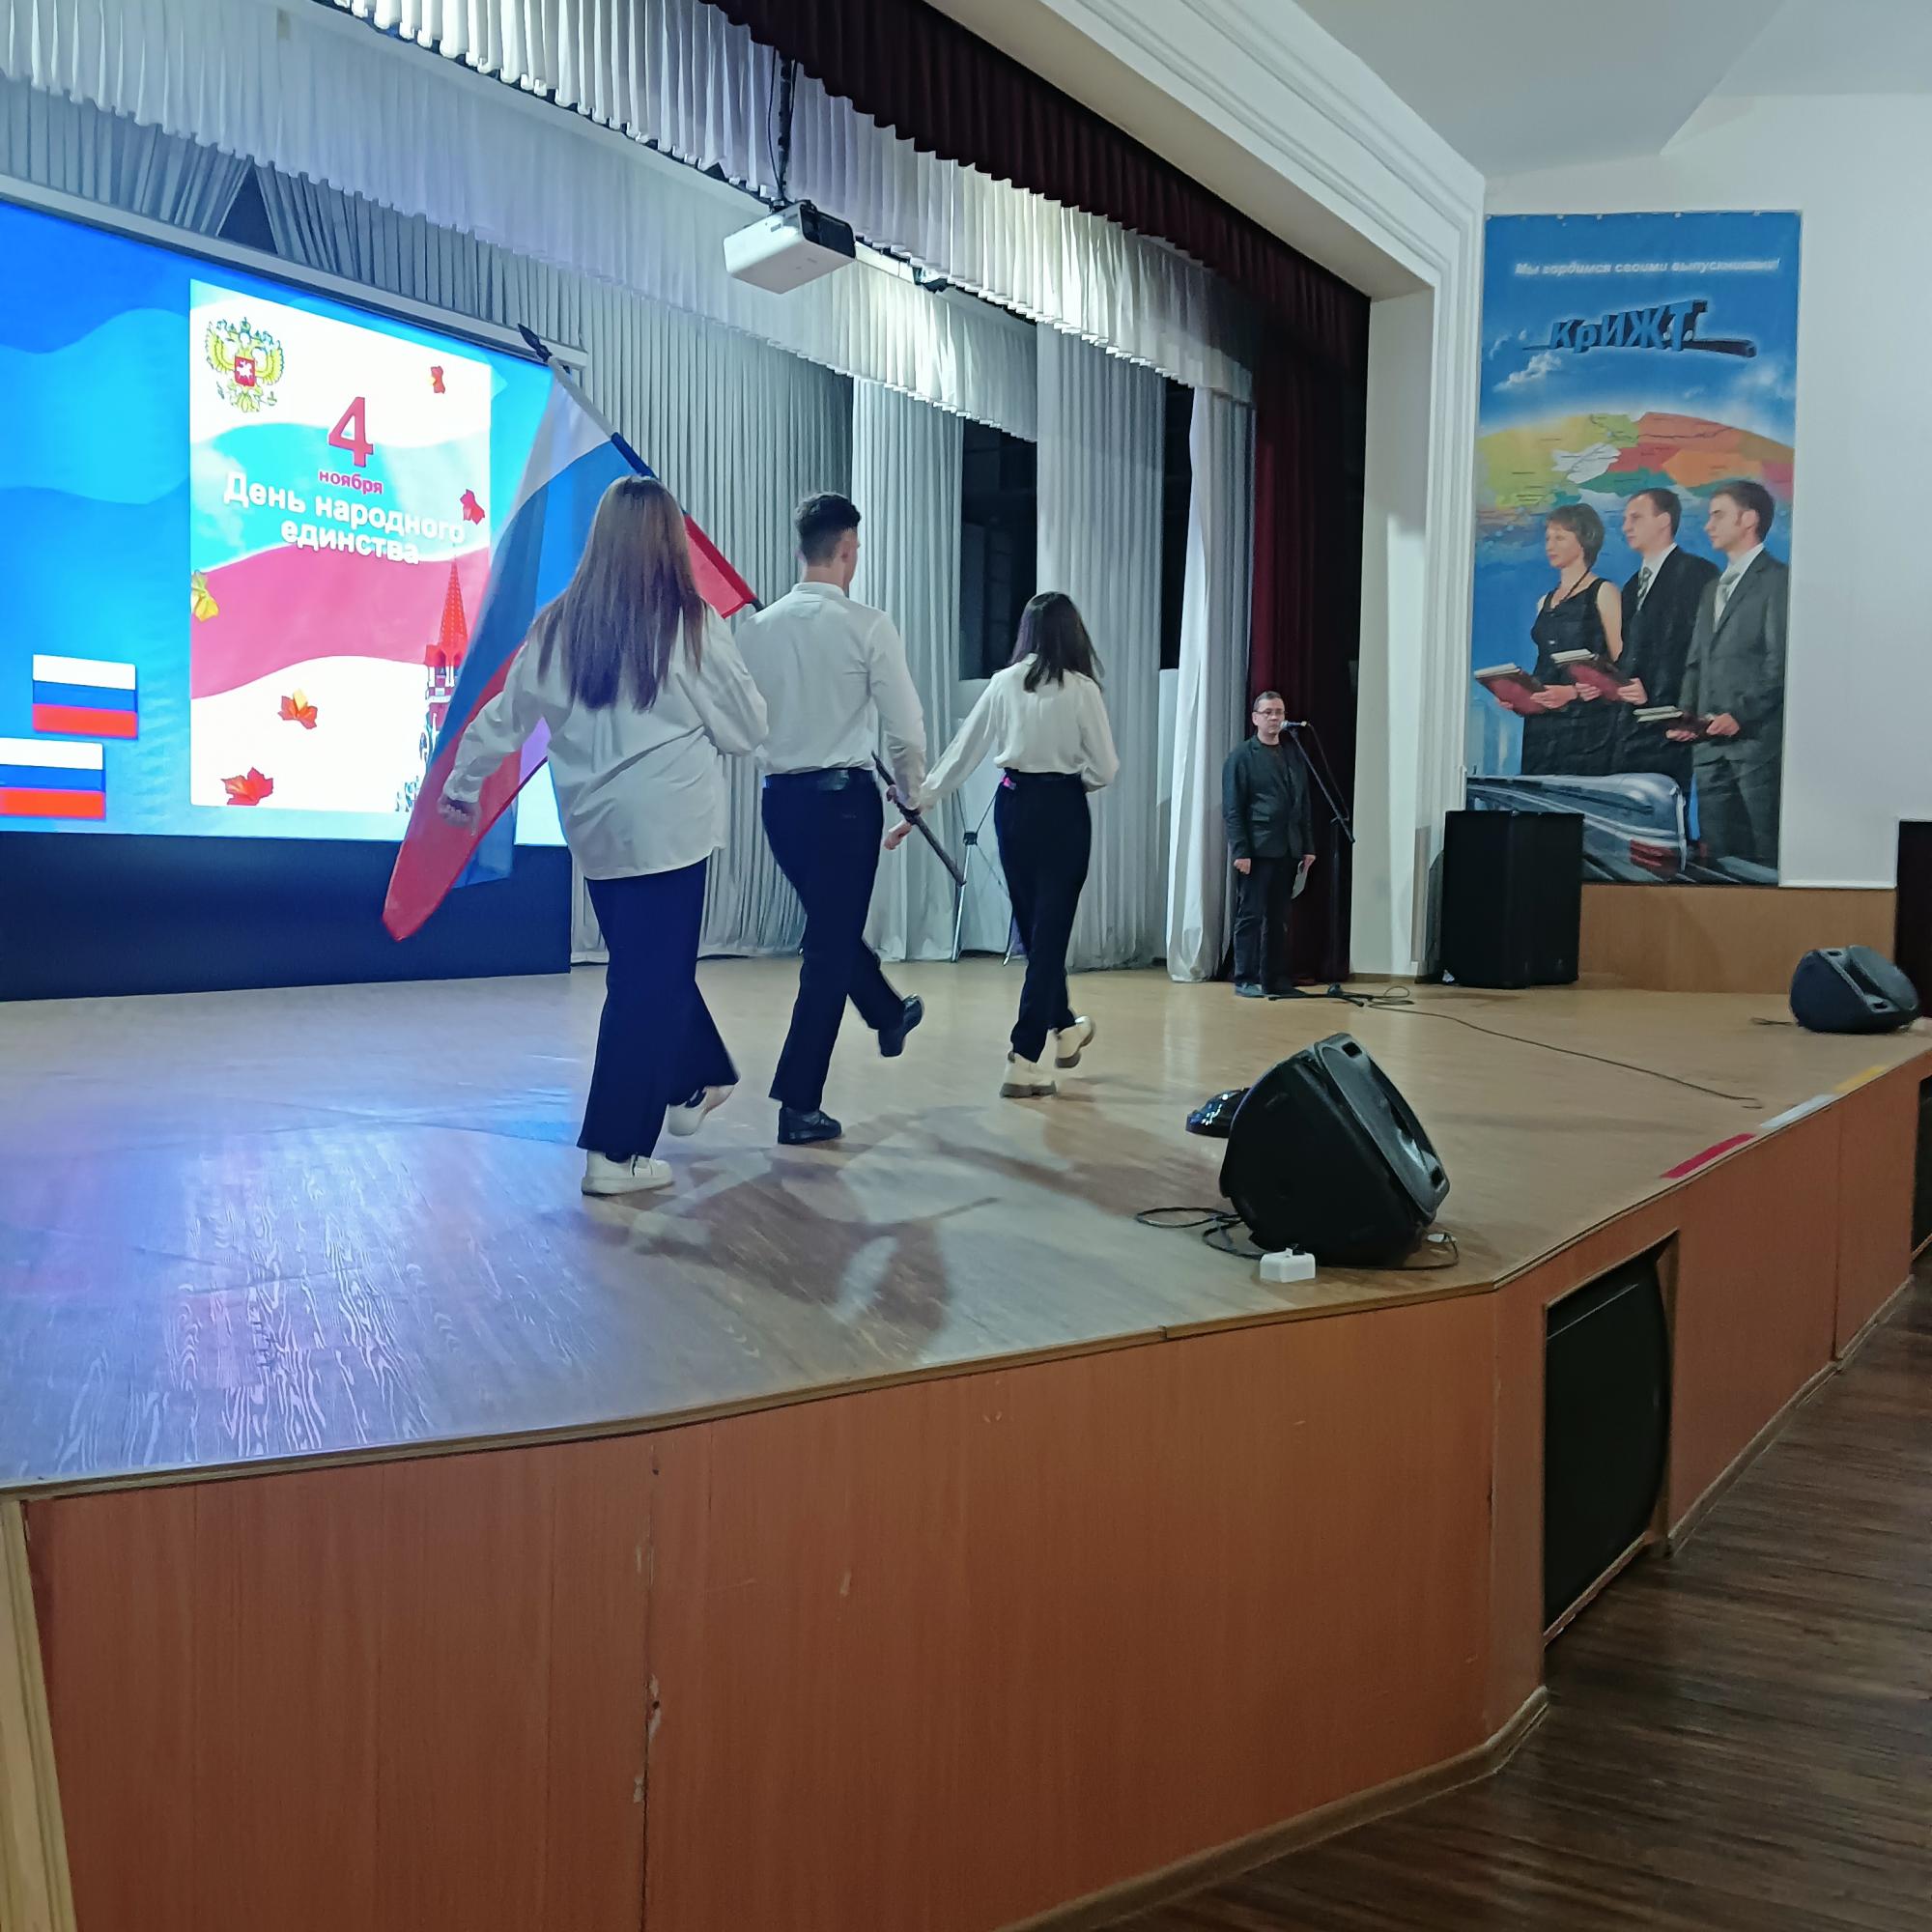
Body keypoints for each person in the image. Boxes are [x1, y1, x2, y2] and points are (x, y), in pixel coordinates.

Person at [440, 475, 768, 1197]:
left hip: (595, 831)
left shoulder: (559, 625)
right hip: (671, 827)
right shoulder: (690, 623)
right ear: (670, 544)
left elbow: (505, 715)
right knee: (645, 983)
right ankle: (615, 1154)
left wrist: (462, 784)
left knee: (649, 967)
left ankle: (696, 1077)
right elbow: (747, 731)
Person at [736, 493, 927, 1146]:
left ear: (801, 550)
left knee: (829, 932)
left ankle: (886, 1012)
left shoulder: (755, 630)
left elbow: (743, 723)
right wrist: (912, 793)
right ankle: (799, 1105)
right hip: (845, 804)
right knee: (827, 946)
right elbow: (905, 728)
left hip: (779, 804)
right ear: (847, 549)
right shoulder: (868, 625)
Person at [890, 590, 1119, 1097]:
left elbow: (963, 751)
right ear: (1072, 633)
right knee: (1049, 933)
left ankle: (1065, 1027)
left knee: (1037, 932)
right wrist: (1070, 786)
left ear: (1027, 632)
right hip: (1063, 809)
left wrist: (918, 802)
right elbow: (1105, 768)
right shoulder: (1082, 689)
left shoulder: (1004, 682)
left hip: (1013, 807)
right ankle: (1023, 1056)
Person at [1672, 478, 1788, 870]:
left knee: (1764, 856)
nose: (1708, 525)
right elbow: (1695, 662)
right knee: (1719, 860)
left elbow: (1780, 665)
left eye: (1718, 515)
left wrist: (1740, 715)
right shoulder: (1711, 589)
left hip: (1755, 748)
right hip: (1708, 749)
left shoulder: (1778, 580)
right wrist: (1686, 717)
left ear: (1749, 519)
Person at [1611, 487, 1718, 792]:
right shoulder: (1632, 586)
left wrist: (1668, 704)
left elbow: (1701, 650)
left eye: (1635, 518)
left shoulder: (1697, 573)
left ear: (1663, 521)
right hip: (1630, 727)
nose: (1626, 527)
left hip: (1673, 727)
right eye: (1625, 519)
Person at [1221, 691, 1316, 999]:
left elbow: (1303, 804)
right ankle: (1245, 978)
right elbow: (1233, 808)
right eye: (1268, 712)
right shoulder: (1242, 757)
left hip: (1287, 848)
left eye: (1279, 712)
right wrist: (1241, 851)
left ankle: (1275, 979)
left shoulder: (1293, 754)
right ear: (1255, 718)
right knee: (1250, 915)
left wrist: (1308, 846)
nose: (1275, 718)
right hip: (1257, 849)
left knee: (1279, 918)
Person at [1520, 503, 1625, 778]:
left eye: (1560, 537)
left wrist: (1572, 693)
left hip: (1588, 727)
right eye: (1547, 538)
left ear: (1583, 541)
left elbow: (1621, 668)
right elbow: (1544, 665)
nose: (1550, 545)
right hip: (1542, 726)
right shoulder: (1544, 601)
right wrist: (1519, 696)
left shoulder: (1604, 592)